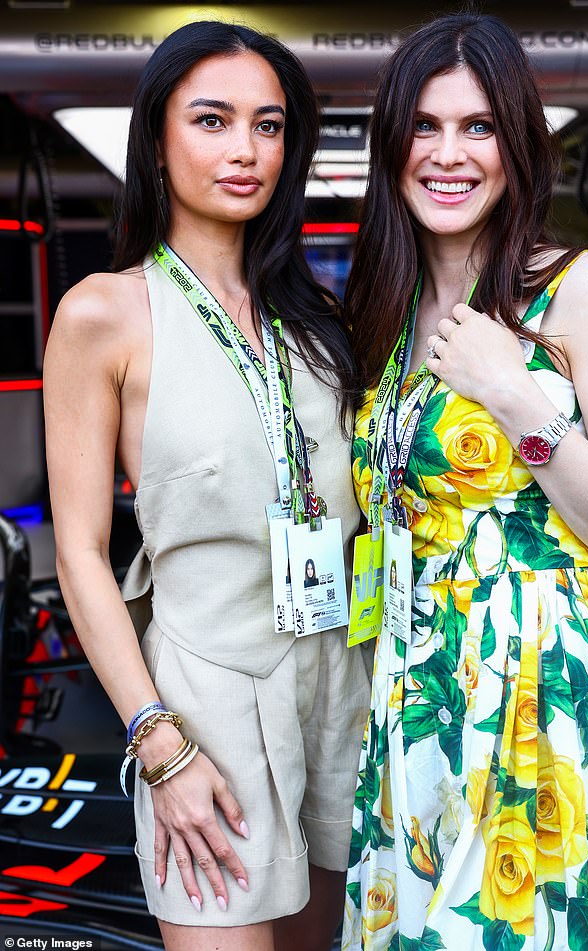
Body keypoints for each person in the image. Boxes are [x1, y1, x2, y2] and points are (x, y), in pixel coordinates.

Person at [43, 20, 370, 951]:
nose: (244, 150)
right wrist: (159, 745)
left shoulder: (321, 322)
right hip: (205, 711)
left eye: (268, 127)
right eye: (213, 120)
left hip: (339, 688)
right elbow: (78, 554)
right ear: (157, 140)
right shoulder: (106, 312)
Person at [343, 12, 588, 951]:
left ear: (519, 146)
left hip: (553, 694)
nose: (448, 153)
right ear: (392, 146)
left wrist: (515, 397)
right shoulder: (381, 318)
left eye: (478, 128)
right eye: (424, 126)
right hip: (417, 691)